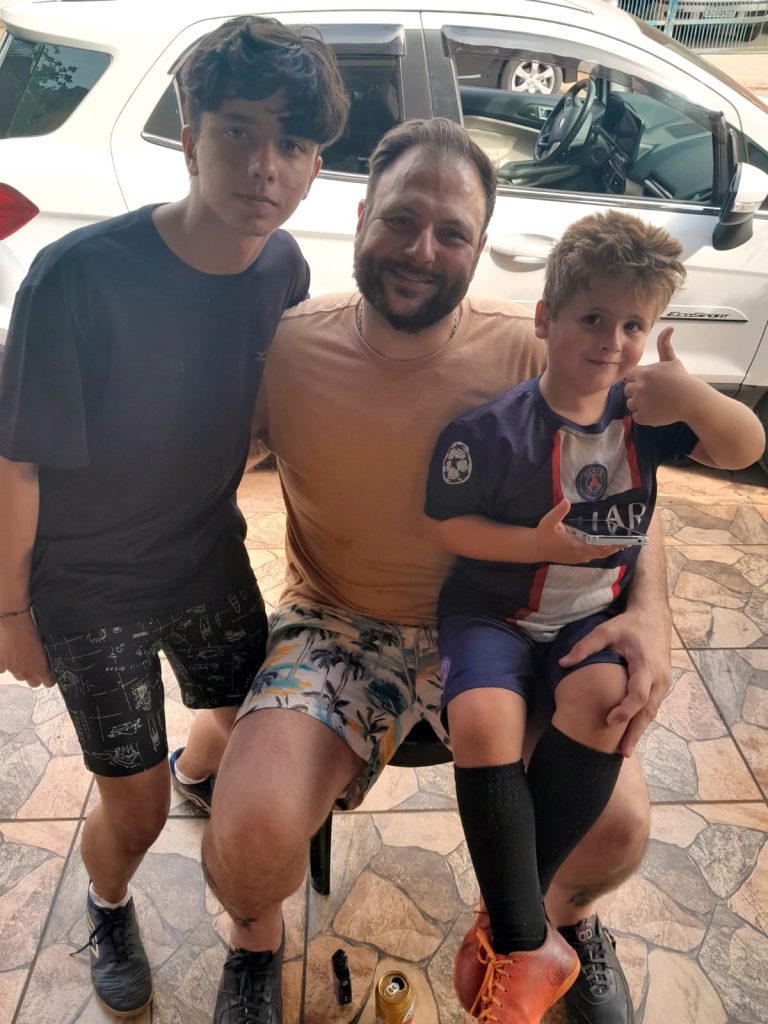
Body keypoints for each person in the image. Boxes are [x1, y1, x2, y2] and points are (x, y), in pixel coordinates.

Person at [202, 119, 673, 1024]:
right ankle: (255, 942)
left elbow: (627, 497)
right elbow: (188, 473)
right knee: (251, 832)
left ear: (479, 247)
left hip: (513, 623)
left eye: (451, 232)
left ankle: (554, 926)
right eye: (401, 219)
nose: (422, 250)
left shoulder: (532, 352)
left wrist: (650, 613)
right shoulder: (287, 348)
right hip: (338, 622)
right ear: (361, 217)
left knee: (617, 826)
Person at [0, 17, 348, 1017]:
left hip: (203, 556)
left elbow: (258, 402)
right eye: (239, 131)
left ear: (314, 165)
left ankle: (208, 795)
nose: (264, 166)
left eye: (292, 142)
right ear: (191, 138)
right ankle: (107, 903)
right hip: (86, 586)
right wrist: (12, 612)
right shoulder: (79, 276)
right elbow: (15, 460)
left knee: (257, 735)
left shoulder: (281, 268)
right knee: (137, 808)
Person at [422, 209, 765, 1022]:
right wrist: (533, 544)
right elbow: (448, 527)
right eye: (593, 318)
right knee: (480, 719)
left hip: (592, 618)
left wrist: (695, 395)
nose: (613, 341)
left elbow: (746, 448)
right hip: (493, 613)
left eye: (633, 325)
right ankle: (526, 936)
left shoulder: (648, 419)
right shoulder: (490, 432)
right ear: (546, 319)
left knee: (609, 699)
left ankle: (514, 924)